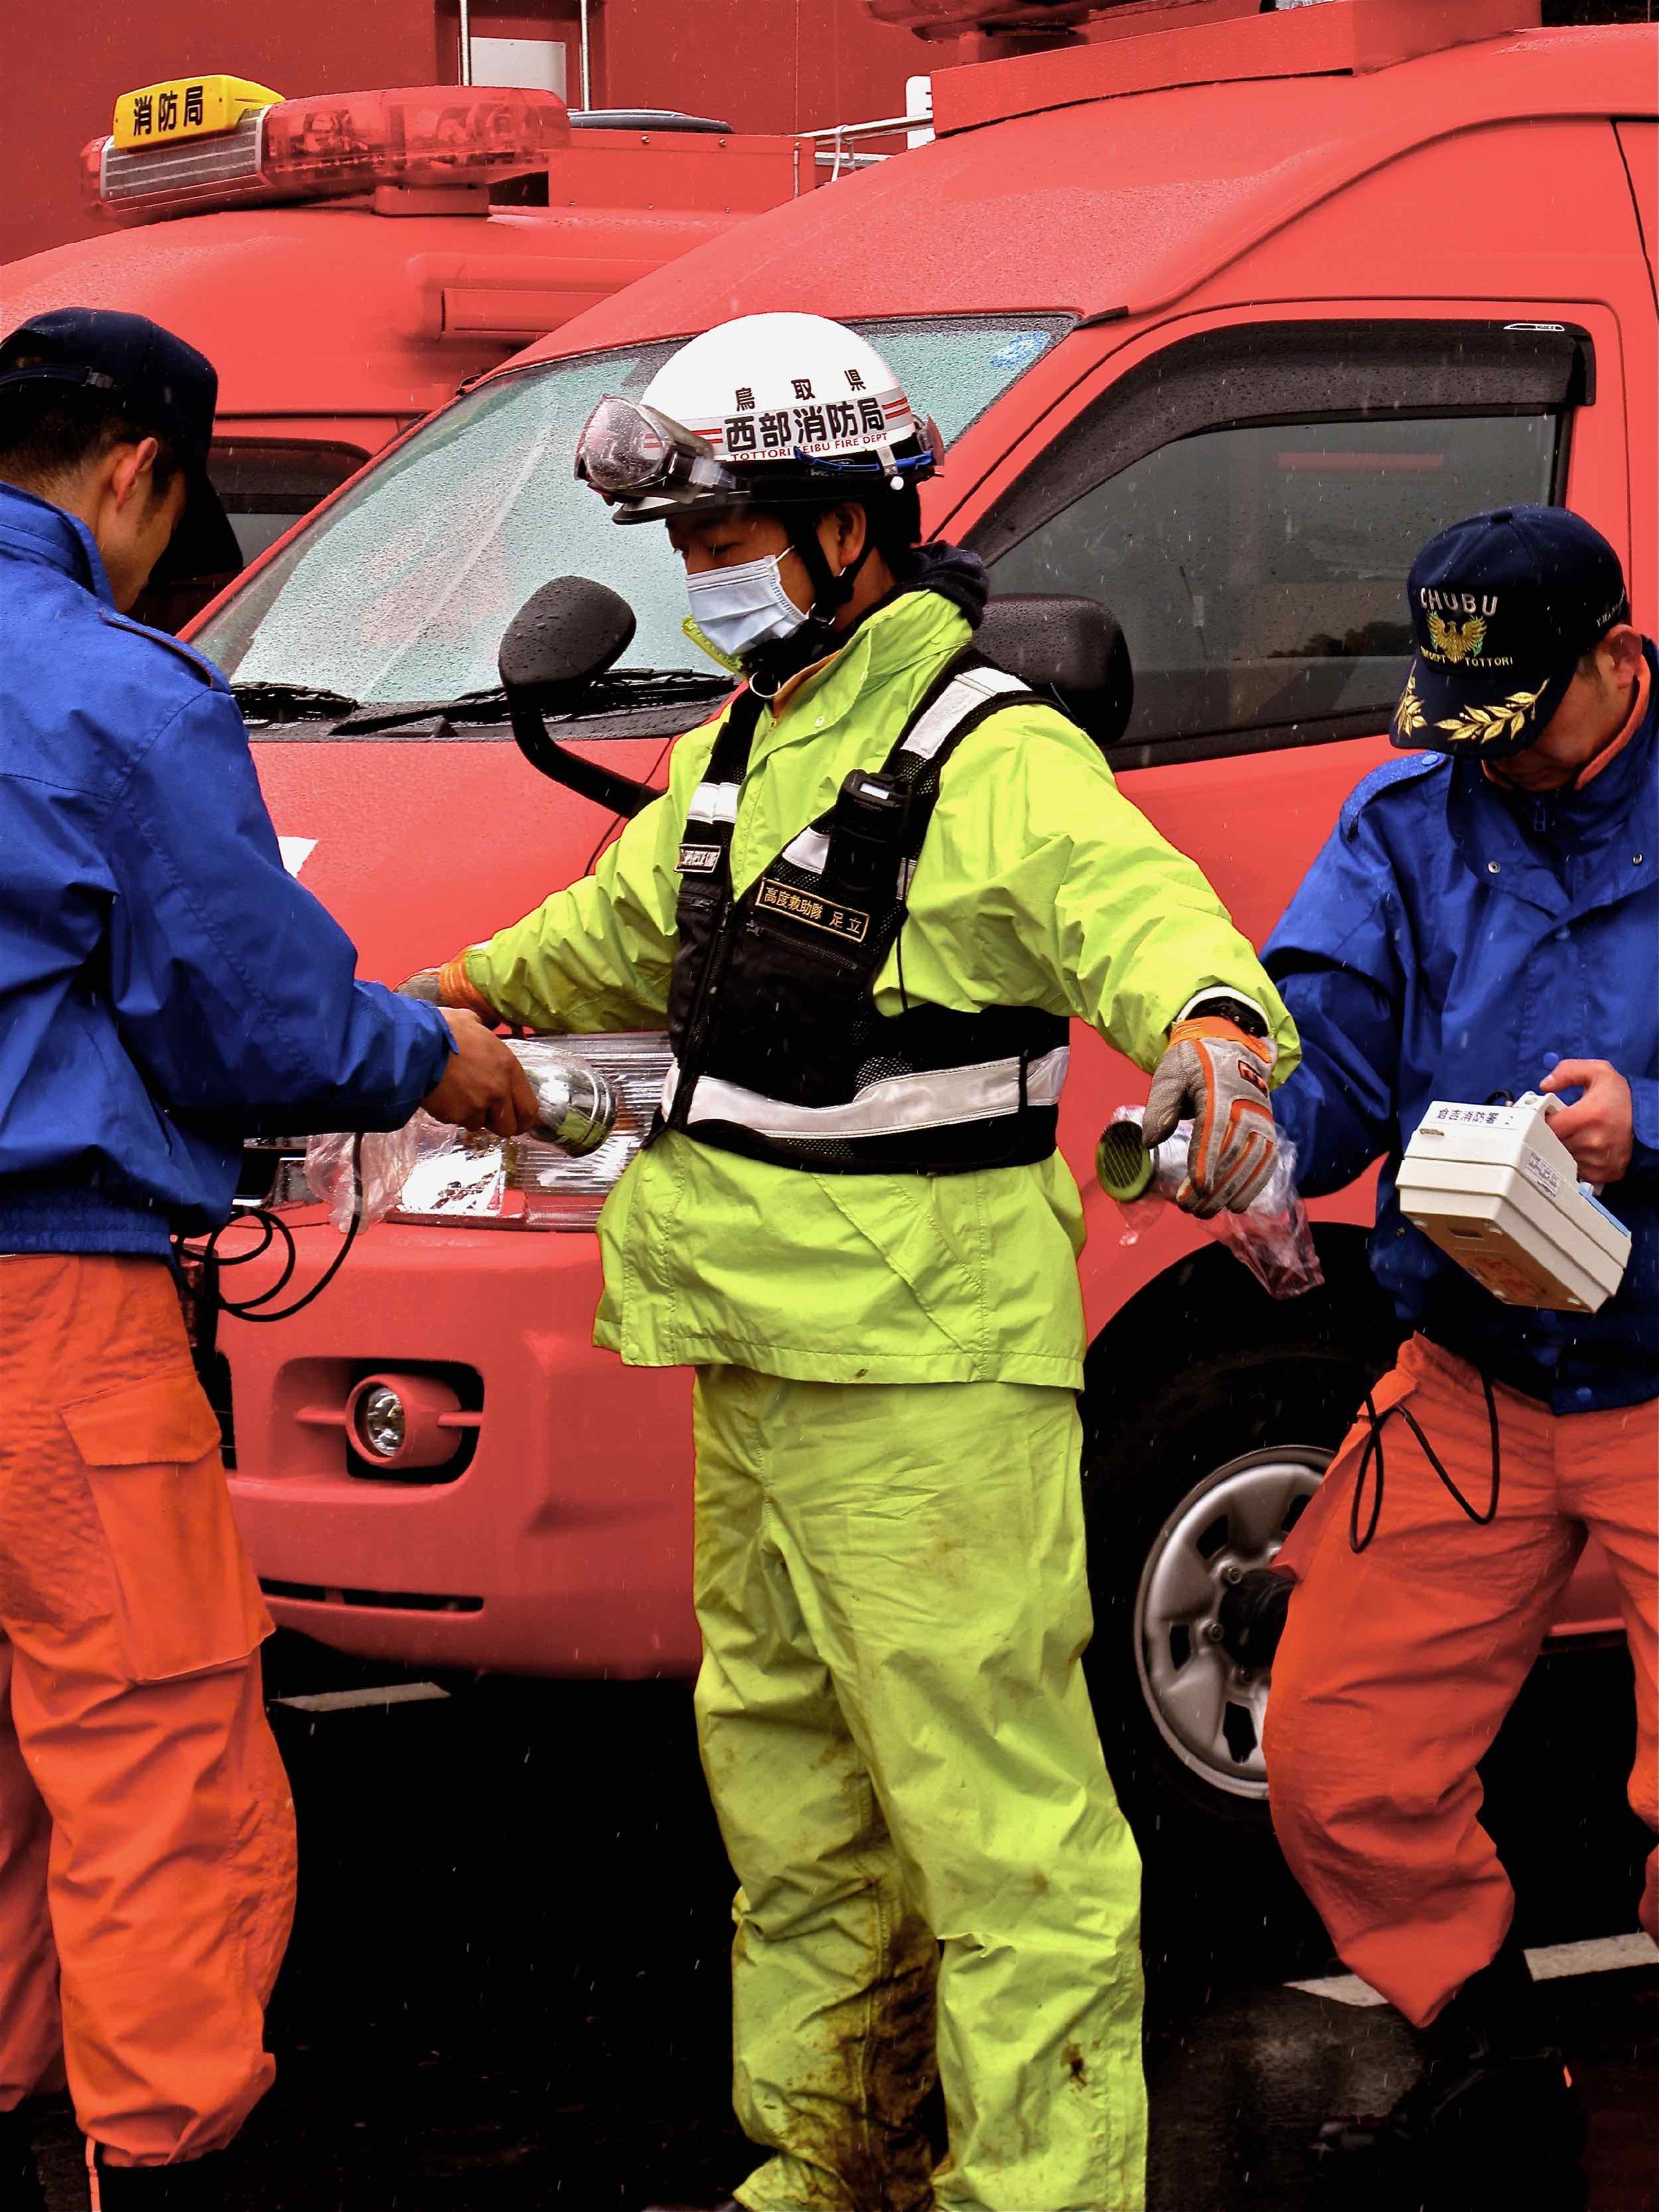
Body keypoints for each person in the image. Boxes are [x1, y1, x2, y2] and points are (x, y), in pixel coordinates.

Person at [411, 311, 1298, 2212]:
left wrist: (1215, 1029)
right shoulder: (750, 747)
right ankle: (824, 2166)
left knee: (1001, 1838)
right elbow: (614, 930)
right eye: (688, 544)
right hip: (757, 1355)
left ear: (840, 520)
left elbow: (1137, 910)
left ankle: (1038, 2191)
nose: (700, 576)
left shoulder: (988, 747)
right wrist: (443, 993)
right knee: (798, 1811)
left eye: (723, 537)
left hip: (924, 1378)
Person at [0, 308, 537, 2209]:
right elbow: (249, 1013)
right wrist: (432, 1053)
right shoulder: (109, 685)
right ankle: (158, 2156)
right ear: (137, 469)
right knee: (148, 1738)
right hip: (51, 1299)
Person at [1228, 505, 1656, 2203]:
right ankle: (1486, 2048)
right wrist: (1255, 1128)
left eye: (1518, 717)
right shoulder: (1408, 820)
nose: (1488, 761)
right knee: (1335, 1751)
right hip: (1473, 1376)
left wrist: (1655, 1123)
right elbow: (1320, 1044)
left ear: (1616, 658)